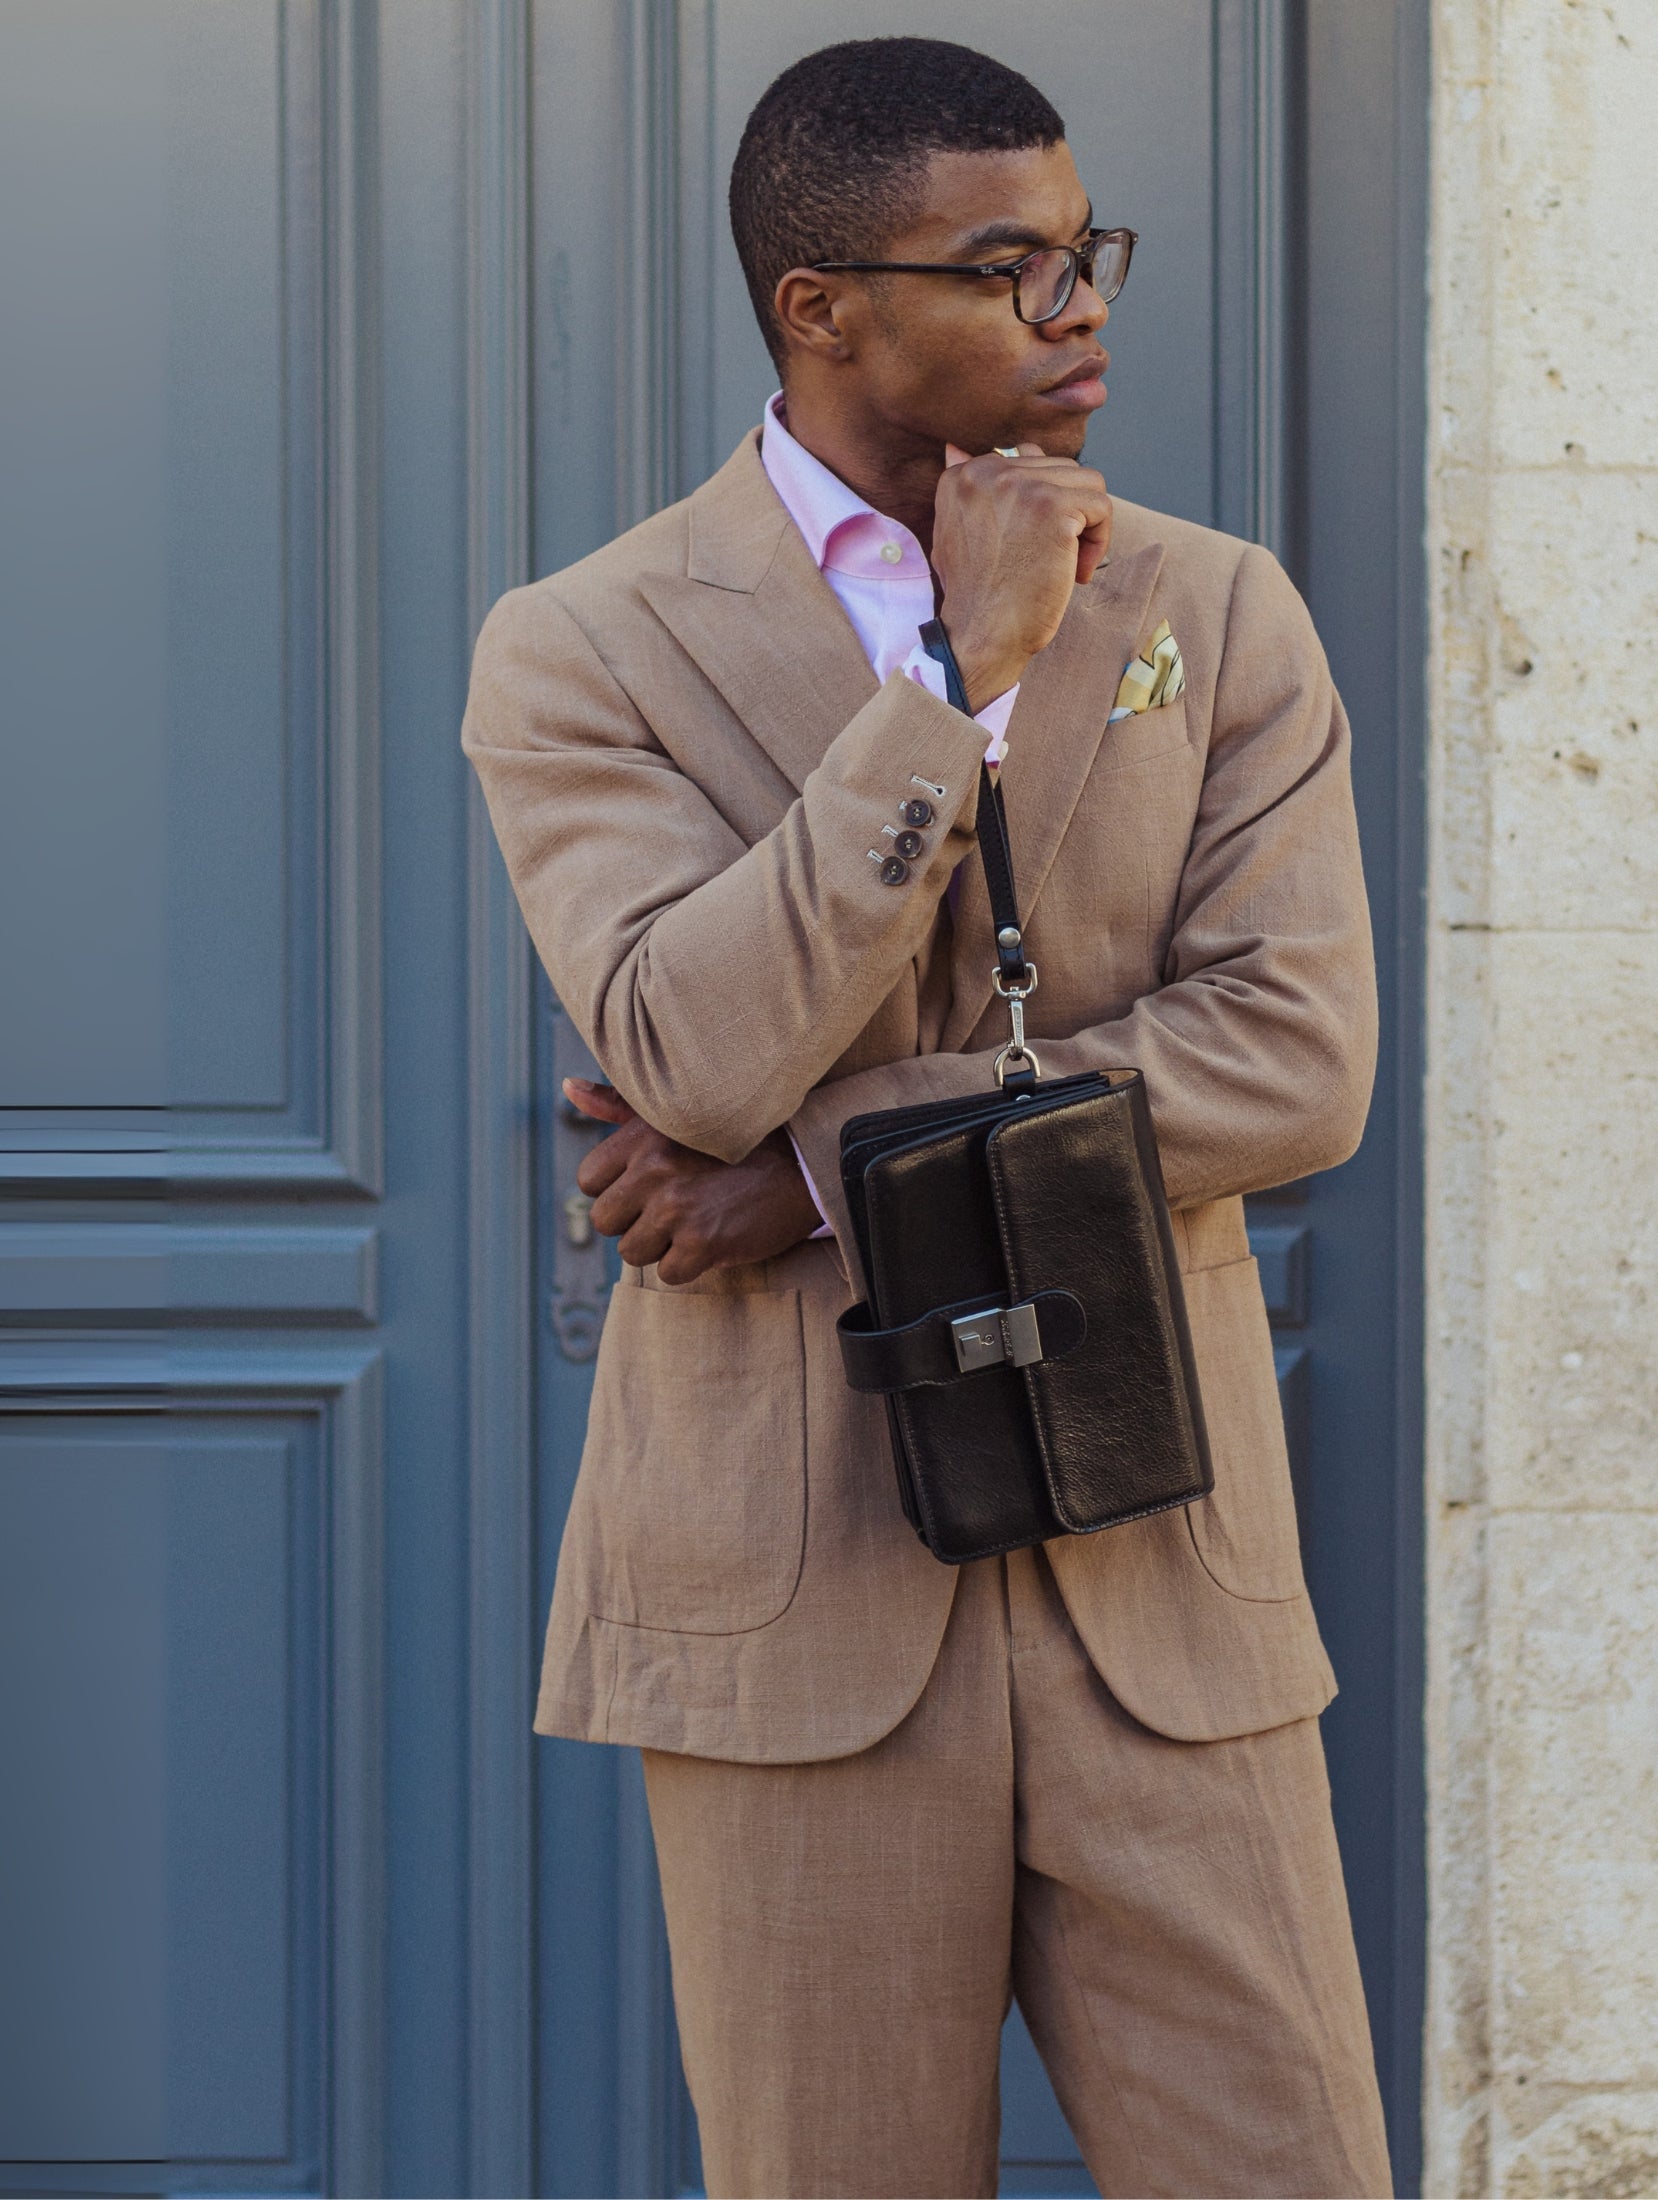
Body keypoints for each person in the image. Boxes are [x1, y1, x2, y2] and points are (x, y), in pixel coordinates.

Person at [462, 35, 1387, 2199]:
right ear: (823, 307)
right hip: (794, 1591)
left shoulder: (1211, 607)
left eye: (1086, 250)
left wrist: (819, 1170)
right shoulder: (584, 644)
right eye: (1008, 266)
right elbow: (689, 1045)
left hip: (1163, 1579)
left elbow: (1295, 1056)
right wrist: (950, 681)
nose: (1080, 308)